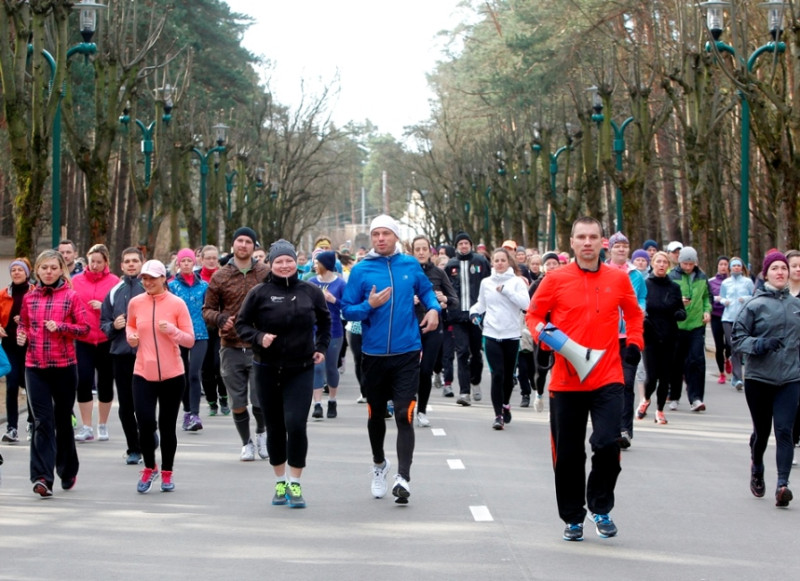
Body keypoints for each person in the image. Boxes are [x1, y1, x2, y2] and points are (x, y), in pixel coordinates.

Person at [526, 216, 644, 541]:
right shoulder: (555, 279)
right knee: (568, 454)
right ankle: (573, 517)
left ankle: (601, 507)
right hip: (567, 380)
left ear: (602, 242)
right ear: (573, 243)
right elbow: (534, 316)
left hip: (607, 376)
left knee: (607, 444)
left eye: (594, 237)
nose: (588, 242)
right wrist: (546, 339)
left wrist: (634, 343)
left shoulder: (618, 279)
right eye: (582, 237)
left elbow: (634, 315)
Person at [341, 215, 440, 505]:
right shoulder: (360, 270)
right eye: (376, 234)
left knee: (403, 414)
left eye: (386, 234)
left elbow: (427, 292)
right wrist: (368, 306)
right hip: (373, 355)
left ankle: (403, 477)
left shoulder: (409, 265)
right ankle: (379, 464)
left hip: (407, 353)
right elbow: (347, 310)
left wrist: (433, 309)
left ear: (396, 237)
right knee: (375, 416)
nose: (380, 239)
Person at [236, 239, 331, 508]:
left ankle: (296, 483)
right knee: (276, 427)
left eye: (289, 260)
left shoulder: (310, 291)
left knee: (296, 425)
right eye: (279, 261)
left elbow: (325, 321)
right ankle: (280, 482)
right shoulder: (259, 292)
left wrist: (321, 347)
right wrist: (259, 336)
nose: (285, 265)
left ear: (295, 263)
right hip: (266, 369)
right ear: (271, 264)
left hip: (300, 369)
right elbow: (241, 324)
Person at [18, 250, 90, 497]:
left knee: (62, 421)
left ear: (61, 270)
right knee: (42, 422)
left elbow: (84, 329)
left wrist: (61, 327)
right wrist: (22, 334)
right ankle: (42, 477)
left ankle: (68, 469)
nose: (48, 272)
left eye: (53, 268)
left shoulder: (71, 296)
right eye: (44, 268)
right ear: (37, 271)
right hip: (35, 367)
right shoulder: (28, 298)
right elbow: (24, 325)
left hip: (64, 368)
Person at [731, 251, 800, 508]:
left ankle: (783, 485)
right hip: (760, 379)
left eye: (784, 268)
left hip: (790, 379)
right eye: (775, 269)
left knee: (785, 431)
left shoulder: (796, 306)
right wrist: (760, 344)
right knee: (762, 432)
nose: (781, 272)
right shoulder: (754, 305)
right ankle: (757, 465)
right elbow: (737, 339)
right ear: (766, 273)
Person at [202, 227, 269, 461]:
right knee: (238, 401)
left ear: (254, 246)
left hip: (258, 346)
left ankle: (262, 433)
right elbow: (207, 309)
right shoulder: (220, 276)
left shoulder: (265, 274)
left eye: (248, 241)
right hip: (230, 346)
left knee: (259, 399)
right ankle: (246, 442)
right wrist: (220, 319)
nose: (243, 245)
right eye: (239, 240)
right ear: (233, 245)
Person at [127, 260, 195, 493]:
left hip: (172, 375)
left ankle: (167, 472)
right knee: (145, 423)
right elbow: (130, 327)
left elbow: (190, 339)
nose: (147, 282)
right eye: (144, 278)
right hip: (143, 372)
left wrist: (173, 332)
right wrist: (132, 337)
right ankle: (149, 468)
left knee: (167, 427)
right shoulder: (136, 303)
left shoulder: (177, 304)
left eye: (152, 278)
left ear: (163, 278)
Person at [470, 248, 530, 429]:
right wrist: (474, 313)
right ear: (492, 263)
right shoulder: (486, 282)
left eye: (503, 260)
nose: (500, 263)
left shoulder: (517, 282)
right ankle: (498, 415)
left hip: (511, 334)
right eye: (496, 260)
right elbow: (481, 303)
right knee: (497, 374)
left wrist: (506, 291)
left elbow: (526, 304)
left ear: (509, 262)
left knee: (508, 376)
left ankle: (505, 404)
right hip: (491, 333)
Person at [100, 247, 146, 465]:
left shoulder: (151, 287)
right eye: (127, 261)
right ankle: (133, 448)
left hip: (147, 354)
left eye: (135, 261)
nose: (131, 264)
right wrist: (114, 325)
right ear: (121, 265)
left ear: (142, 263)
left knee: (145, 402)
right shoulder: (113, 291)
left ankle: (148, 435)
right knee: (126, 404)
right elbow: (103, 323)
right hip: (121, 354)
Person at [71, 244, 120, 442]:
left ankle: (102, 424)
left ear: (106, 262)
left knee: (106, 383)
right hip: (83, 338)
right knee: (83, 381)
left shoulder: (114, 281)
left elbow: (121, 309)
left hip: (106, 338)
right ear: (87, 261)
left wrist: (104, 307)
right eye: (92, 262)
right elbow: (70, 304)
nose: (95, 265)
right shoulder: (76, 281)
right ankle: (86, 427)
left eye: (99, 262)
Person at [605, 232, 647, 449]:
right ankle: (608, 426)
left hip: (628, 337)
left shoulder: (636, 275)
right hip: (604, 337)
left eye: (625, 246)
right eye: (617, 246)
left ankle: (625, 430)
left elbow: (641, 298)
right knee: (607, 384)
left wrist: (640, 308)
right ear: (610, 249)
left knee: (627, 383)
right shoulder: (602, 272)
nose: (621, 249)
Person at [411, 235, 458, 427]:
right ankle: (401, 403)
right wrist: (408, 299)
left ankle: (421, 411)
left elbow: (454, 300)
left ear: (430, 251)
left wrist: (444, 299)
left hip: (433, 328)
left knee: (425, 371)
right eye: (417, 249)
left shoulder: (439, 273)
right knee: (407, 370)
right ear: (412, 252)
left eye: (424, 248)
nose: (421, 252)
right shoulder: (406, 272)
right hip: (409, 327)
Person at [638, 252, 686, 424]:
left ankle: (659, 410)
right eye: (658, 261)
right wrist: (644, 321)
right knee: (651, 376)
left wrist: (680, 313)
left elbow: (681, 310)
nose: (661, 265)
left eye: (665, 262)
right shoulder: (645, 285)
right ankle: (645, 400)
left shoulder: (674, 287)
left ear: (668, 265)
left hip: (669, 337)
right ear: (653, 264)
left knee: (665, 377)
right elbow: (639, 308)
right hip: (650, 336)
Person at [445, 232, 491, 406]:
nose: (463, 246)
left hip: (476, 316)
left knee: (476, 353)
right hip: (457, 316)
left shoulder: (480, 261)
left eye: (466, 243)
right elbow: (446, 287)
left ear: (471, 245)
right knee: (462, 352)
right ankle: (464, 392)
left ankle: (475, 381)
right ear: (456, 246)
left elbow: (489, 285)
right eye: (460, 243)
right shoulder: (451, 265)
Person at [169, 248, 210, 432]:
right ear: (178, 263)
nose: (186, 264)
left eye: (189, 260)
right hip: (179, 334)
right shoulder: (172, 286)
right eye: (182, 261)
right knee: (183, 374)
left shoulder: (204, 286)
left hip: (200, 333)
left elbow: (209, 307)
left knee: (195, 372)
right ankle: (187, 412)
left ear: (194, 263)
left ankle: (195, 413)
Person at [668, 246, 711, 412]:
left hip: (696, 325)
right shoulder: (672, 276)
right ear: (679, 262)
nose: (687, 267)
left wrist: (707, 310)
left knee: (697, 361)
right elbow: (667, 298)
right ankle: (674, 396)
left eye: (690, 263)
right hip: (677, 326)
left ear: (696, 262)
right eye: (685, 263)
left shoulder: (702, 277)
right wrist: (679, 302)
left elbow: (707, 296)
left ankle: (696, 398)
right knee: (676, 363)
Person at [306, 250, 346, 420]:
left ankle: (332, 400)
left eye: (317, 263)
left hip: (334, 331)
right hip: (314, 331)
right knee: (317, 367)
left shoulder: (340, 284)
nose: (314, 266)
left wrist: (333, 300)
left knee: (330, 368)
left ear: (326, 265)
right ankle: (317, 405)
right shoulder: (311, 282)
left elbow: (347, 307)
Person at [0, 258, 34, 443]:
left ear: (27, 273)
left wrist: (24, 320)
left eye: (20, 270)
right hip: (9, 346)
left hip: (30, 347)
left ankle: (31, 422)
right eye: (13, 270)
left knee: (29, 385)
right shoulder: (4, 294)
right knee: (12, 384)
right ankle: (12, 427)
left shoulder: (35, 293)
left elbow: (40, 318)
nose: (16, 273)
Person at [197, 245, 229, 416]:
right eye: (207, 258)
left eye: (214, 258)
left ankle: (224, 397)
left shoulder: (224, 276)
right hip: (202, 328)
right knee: (206, 366)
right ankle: (211, 401)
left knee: (219, 364)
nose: (211, 261)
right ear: (201, 260)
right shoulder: (197, 279)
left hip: (220, 326)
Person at [719, 257, 754, 391]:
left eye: (739, 265)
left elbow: (754, 296)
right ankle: (737, 378)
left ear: (742, 267)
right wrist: (724, 301)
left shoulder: (748, 282)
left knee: (742, 346)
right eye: (733, 266)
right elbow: (720, 297)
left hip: (743, 318)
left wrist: (745, 298)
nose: (736, 268)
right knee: (733, 345)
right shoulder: (725, 283)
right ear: (730, 268)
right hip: (727, 318)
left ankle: (743, 376)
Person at [708, 256, 731, 385]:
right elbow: (708, 297)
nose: (723, 267)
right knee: (719, 345)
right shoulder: (711, 281)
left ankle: (728, 358)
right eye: (721, 264)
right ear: (717, 266)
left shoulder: (732, 281)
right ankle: (721, 373)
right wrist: (716, 299)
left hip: (729, 316)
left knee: (729, 344)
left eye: (725, 264)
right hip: (716, 315)